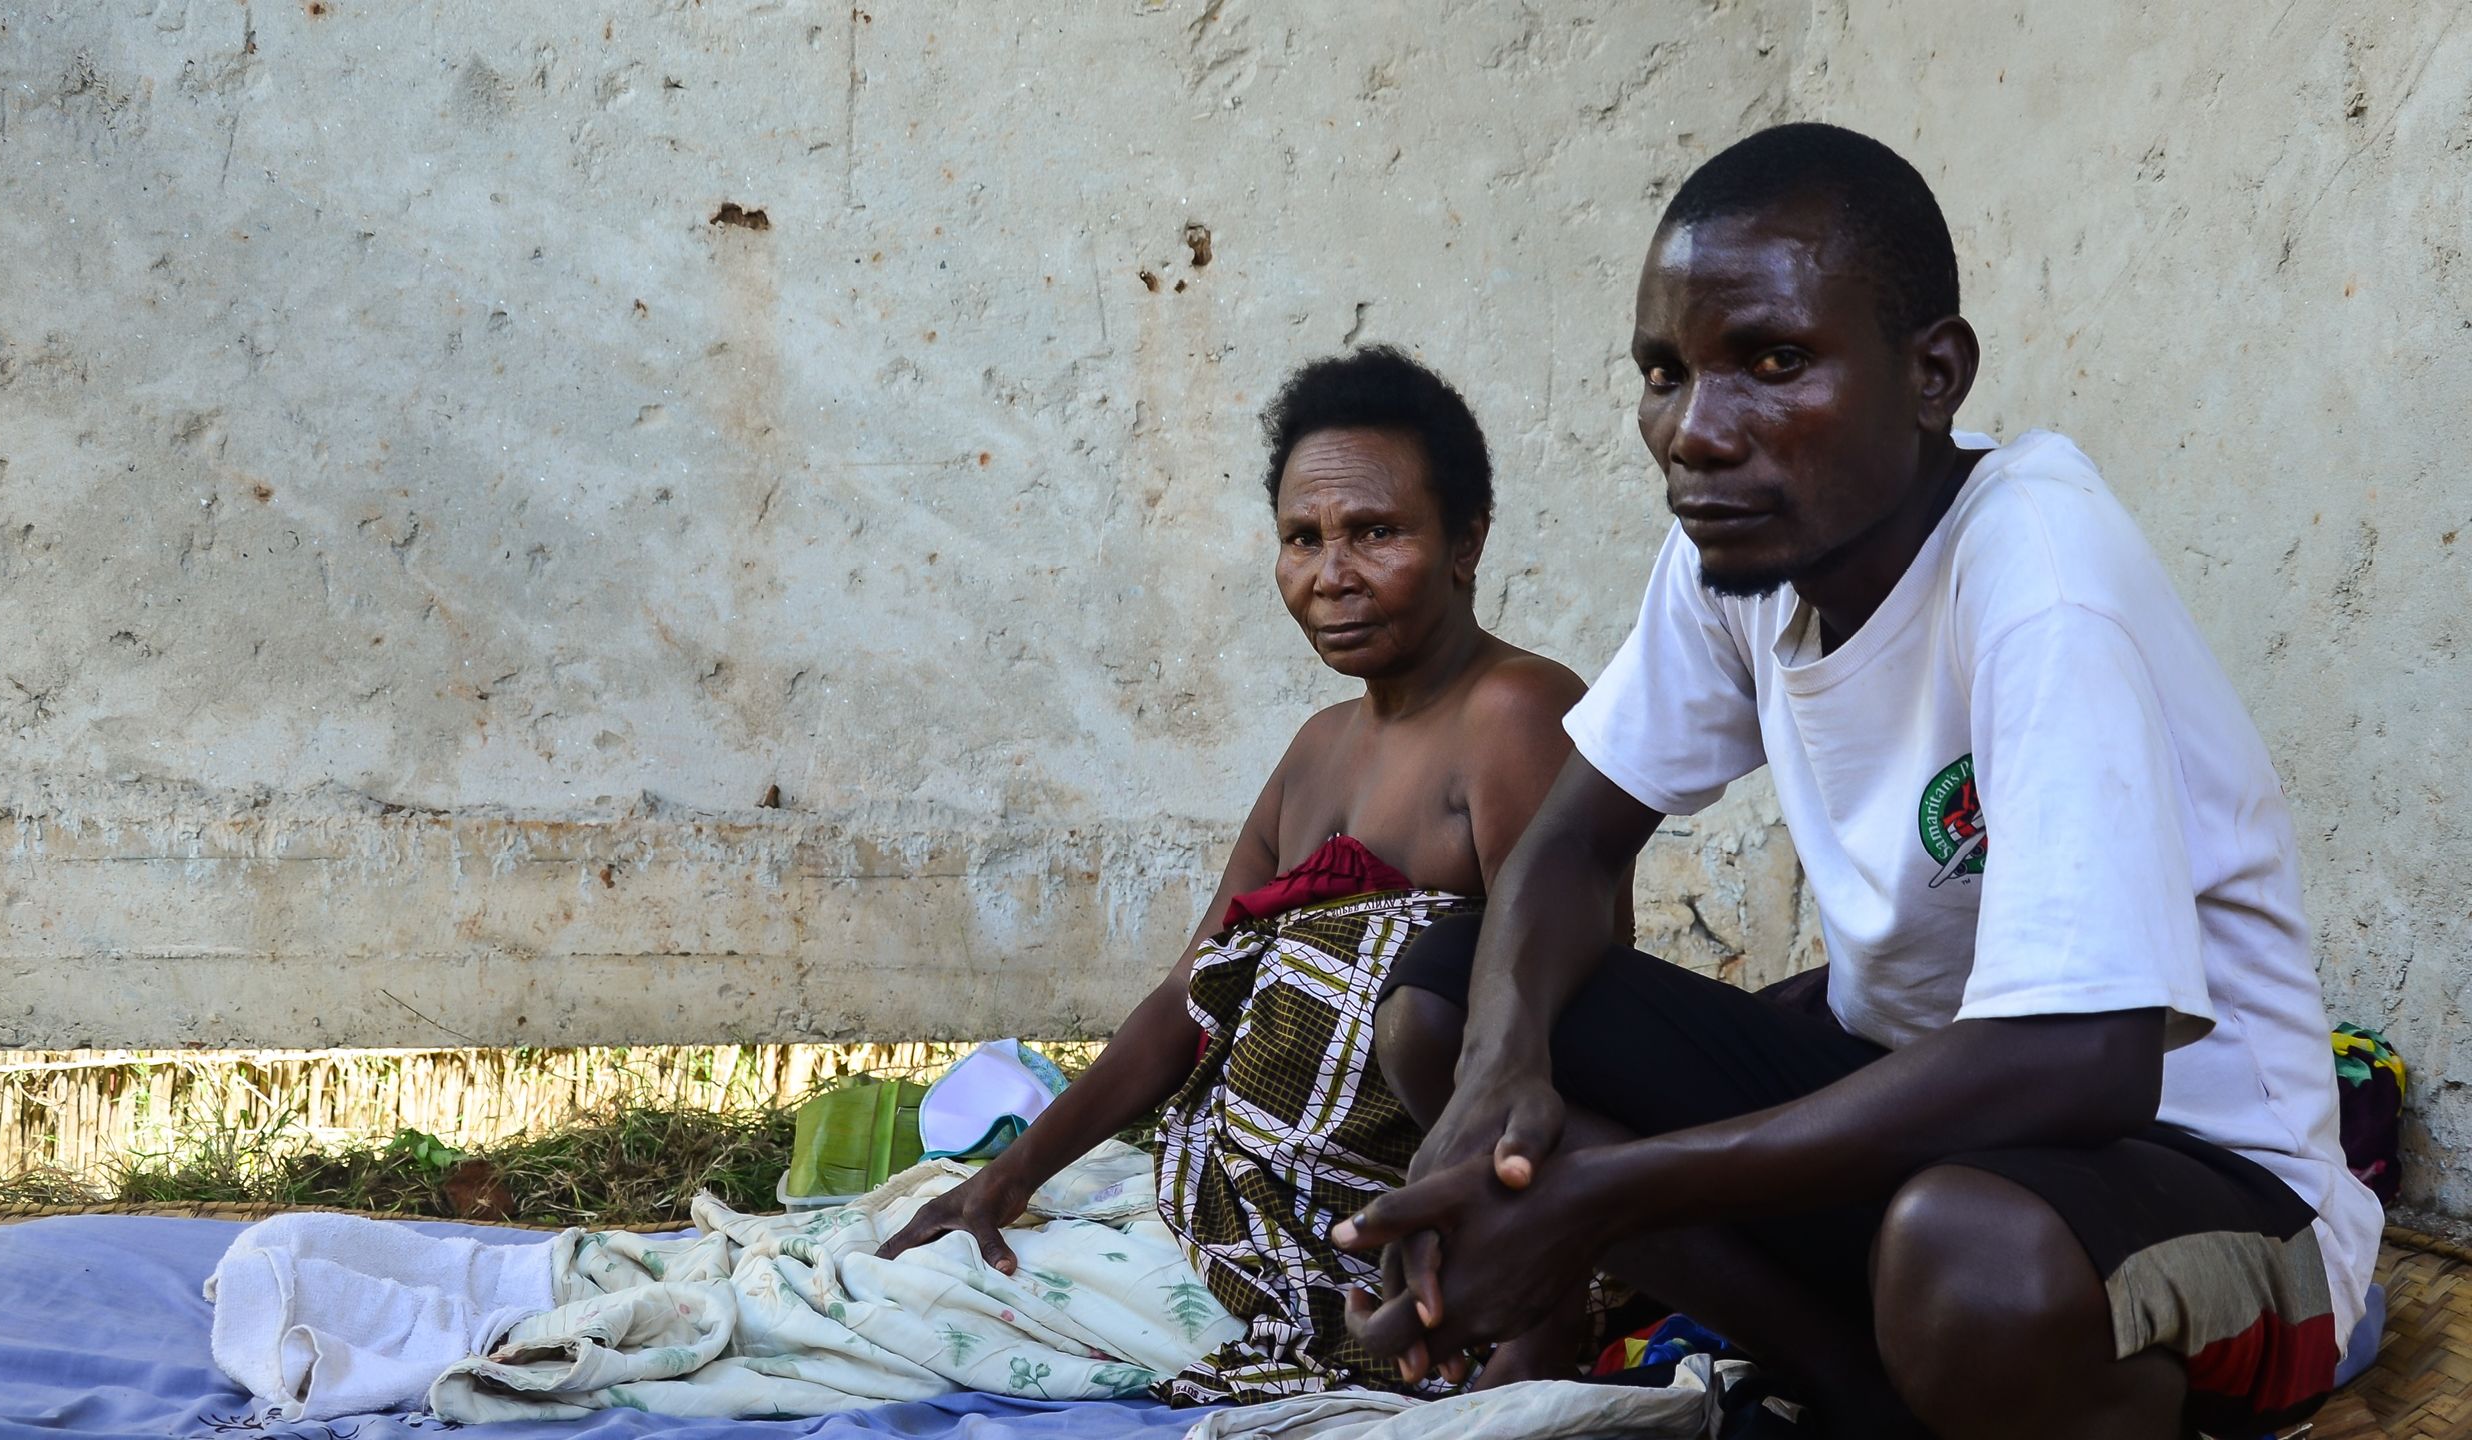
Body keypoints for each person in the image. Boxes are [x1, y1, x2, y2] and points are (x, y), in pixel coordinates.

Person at [1338, 124, 2383, 1440]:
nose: (1696, 433)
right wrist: (1502, 1079)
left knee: (1969, 1259)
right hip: (1927, 1129)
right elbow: (1569, 845)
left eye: (1774, 362)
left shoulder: (2039, 576)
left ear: (1933, 374)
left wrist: (1604, 1197)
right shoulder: (1744, 546)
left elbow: (2090, 1063)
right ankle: (1854, 1393)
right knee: (1447, 996)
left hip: (2216, 1191)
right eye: (1666, 373)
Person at [876, 345, 1590, 1404]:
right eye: (1302, 539)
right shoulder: (1316, 751)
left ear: (1466, 541)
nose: (1331, 575)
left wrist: (1537, 1328)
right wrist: (1007, 1178)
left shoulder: (1516, 715)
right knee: (909, 1289)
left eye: (1375, 532)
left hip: (1415, 1225)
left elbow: (1564, 1016)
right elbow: (1188, 995)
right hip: (1237, 1211)